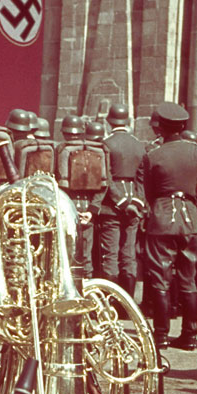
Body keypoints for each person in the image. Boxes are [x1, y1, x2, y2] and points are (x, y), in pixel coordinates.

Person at [141, 103, 197, 350]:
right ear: (182, 126)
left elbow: (148, 191)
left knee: (160, 280)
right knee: (189, 280)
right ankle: (190, 336)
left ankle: (160, 336)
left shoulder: (152, 155)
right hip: (189, 219)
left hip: (161, 218)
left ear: (161, 126)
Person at [97, 102, 146, 298]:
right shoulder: (138, 144)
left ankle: (111, 304)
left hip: (112, 206)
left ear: (109, 122)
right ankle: (129, 304)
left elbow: (106, 178)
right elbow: (142, 178)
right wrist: (136, 202)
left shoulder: (106, 144)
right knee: (128, 256)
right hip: (134, 203)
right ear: (127, 121)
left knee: (110, 256)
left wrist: (121, 202)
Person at [55, 113, 109, 278]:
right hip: (87, 210)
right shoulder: (97, 151)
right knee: (85, 256)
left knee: (63, 253)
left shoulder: (61, 150)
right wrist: (91, 210)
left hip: (66, 207)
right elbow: (103, 184)